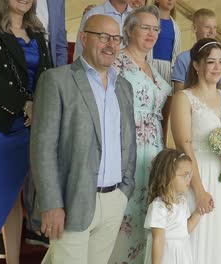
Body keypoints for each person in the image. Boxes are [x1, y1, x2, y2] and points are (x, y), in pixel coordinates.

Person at [30, 15, 136, 264]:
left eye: (116, 38)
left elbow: (128, 141)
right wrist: (51, 204)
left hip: (114, 199)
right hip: (70, 200)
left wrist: (125, 190)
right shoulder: (57, 80)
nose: (111, 44)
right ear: (84, 37)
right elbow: (42, 148)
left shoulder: (124, 87)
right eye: (103, 37)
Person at [0, 0, 68, 250]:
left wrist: (40, 105)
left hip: (29, 124)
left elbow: (46, 74)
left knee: (14, 197)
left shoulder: (37, 32)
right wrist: (25, 105)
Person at [171, 38, 221, 264]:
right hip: (198, 175)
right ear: (196, 65)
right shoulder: (184, 98)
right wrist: (200, 190)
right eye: (211, 62)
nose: (217, 67)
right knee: (199, 235)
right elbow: (184, 145)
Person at [111, 5, 172, 264]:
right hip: (125, 148)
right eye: (145, 27)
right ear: (129, 29)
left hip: (153, 152)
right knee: (121, 216)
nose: (152, 33)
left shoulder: (154, 67)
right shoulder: (115, 62)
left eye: (156, 29)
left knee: (146, 215)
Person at [143, 149, 202, 264]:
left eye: (190, 175)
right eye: (184, 175)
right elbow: (158, 240)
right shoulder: (158, 207)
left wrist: (199, 212)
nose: (189, 179)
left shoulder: (182, 201)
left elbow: (185, 229)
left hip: (182, 253)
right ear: (168, 176)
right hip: (167, 255)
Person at [171, 8, 221, 92]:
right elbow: (178, 92)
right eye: (207, 27)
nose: (212, 31)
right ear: (194, 28)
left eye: (215, 27)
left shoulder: (220, 57)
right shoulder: (183, 58)